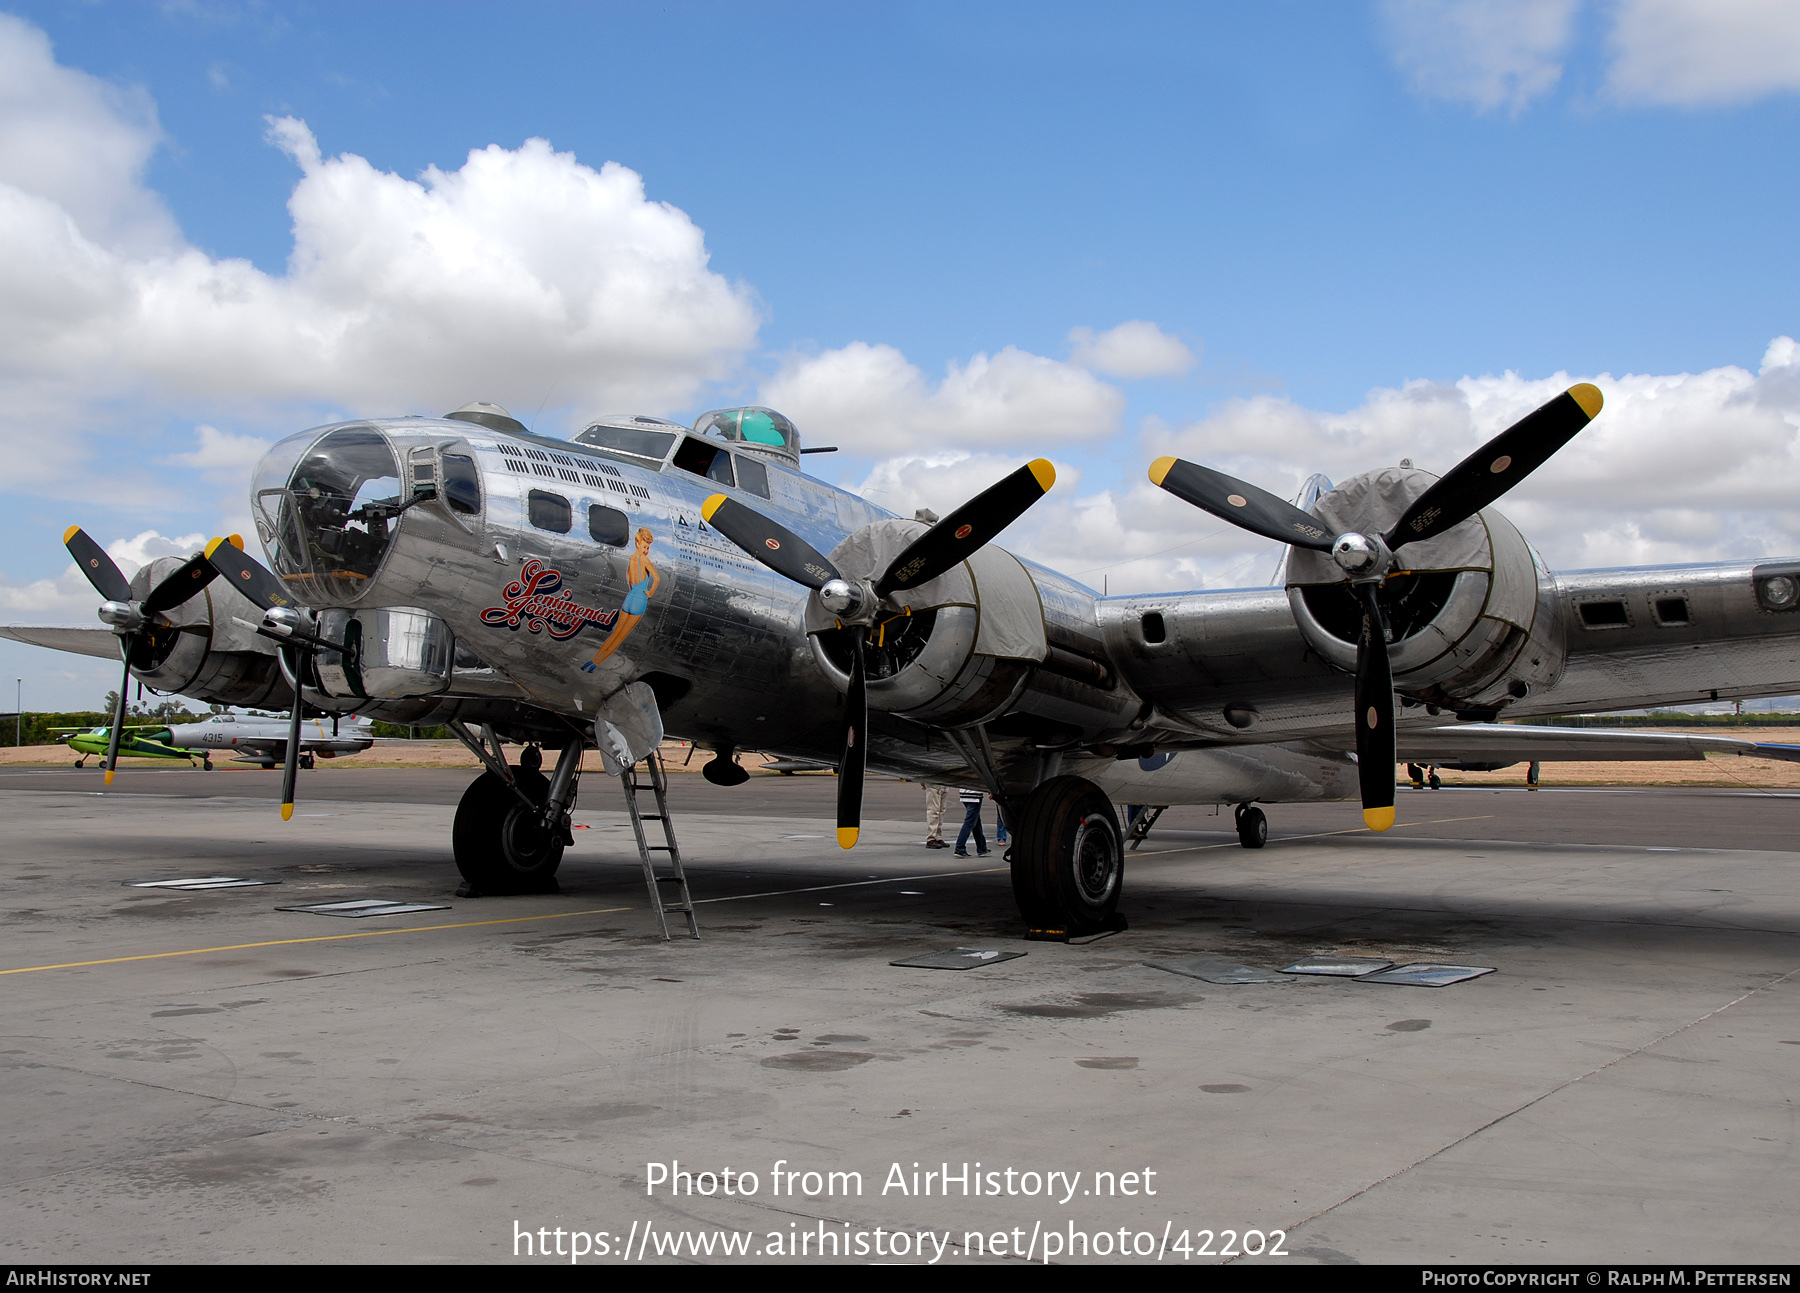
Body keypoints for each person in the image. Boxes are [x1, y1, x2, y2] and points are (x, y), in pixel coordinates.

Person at [583, 528, 659, 672]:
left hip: (630, 597)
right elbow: (657, 578)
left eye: (648, 548)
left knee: (614, 634)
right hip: (639, 599)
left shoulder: (632, 558)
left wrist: (633, 588)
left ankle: (592, 660)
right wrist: (649, 593)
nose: (646, 550)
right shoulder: (644, 560)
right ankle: (595, 665)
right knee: (620, 638)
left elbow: (629, 576)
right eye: (645, 546)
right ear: (638, 544)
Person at [955, 787, 989, 857]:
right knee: (970, 822)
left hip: (964, 793)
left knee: (976, 821)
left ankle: (982, 848)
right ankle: (960, 847)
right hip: (974, 795)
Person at [924, 784, 954, 848]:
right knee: (933, 810)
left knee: (941, 810)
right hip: (934, 784)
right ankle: (931, 838)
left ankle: (937, 836)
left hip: (944, 785)